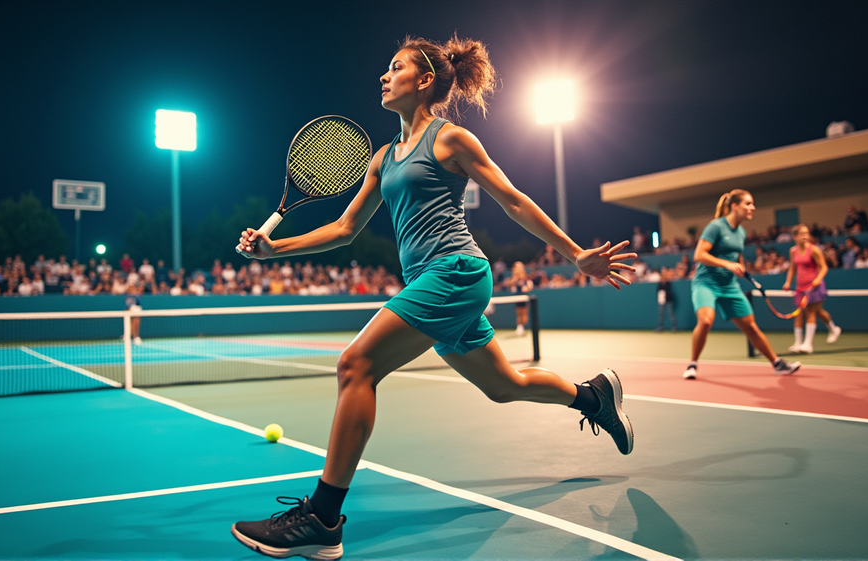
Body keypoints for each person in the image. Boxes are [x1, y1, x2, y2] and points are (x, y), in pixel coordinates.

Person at [231, 34, 637, 560]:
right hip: (430, 281)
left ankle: (322, 519)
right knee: (505, 385)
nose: (383, 76)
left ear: (424, 81)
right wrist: (273, 247)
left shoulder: (450, 140)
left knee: (356, 365)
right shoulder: (382, 157)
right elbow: (345, 228)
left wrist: (575, 253)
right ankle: (593, 396)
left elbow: (512, 200)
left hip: (457, 273)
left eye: (395, 67)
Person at [682, 190, 801, 380]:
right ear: (735, 206)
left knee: (751, 327)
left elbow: (737, 257)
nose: (752, 207)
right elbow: (699, 255)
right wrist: (727, 264)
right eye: (748, 203)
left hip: (729, 285)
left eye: (752, 204)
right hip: (706, 283)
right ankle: (692, 364)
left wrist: (743, 271)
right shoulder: (716, 227)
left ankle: (777, 364)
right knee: (705, 321)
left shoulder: (741, 232)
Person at [783, 224, 842, 354]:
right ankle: (799, 342)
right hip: (800, 287)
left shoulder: (814, 250)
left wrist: (818, 279)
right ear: (795, 237)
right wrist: (788, 282)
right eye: (802, 234)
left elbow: (824, 267)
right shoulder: (793, 251)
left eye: (807, 233)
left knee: (810, 312)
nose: (805, 236)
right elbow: (792, 267)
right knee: (804, 313)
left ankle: (807, 345)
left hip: (814, 286)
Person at [504, 261, 533, 336]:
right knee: (518, 314)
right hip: (517, 298)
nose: (516, 268)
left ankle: (522, 327)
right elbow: (509, 283)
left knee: (524, 315)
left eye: (518, 267)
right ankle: (519, 328)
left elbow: (530, 285)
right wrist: (510, 281)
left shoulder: (525, 277)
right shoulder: (514, 277)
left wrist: (527, 288)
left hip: (524, 298)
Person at [125, 280, 143, 345]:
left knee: (137, 323)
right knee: (130, 324)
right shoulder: (129, 293)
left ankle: (136, 337)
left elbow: (141, 290)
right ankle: (128, 337)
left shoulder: (139, 293)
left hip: (137, 308)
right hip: (130, 308)